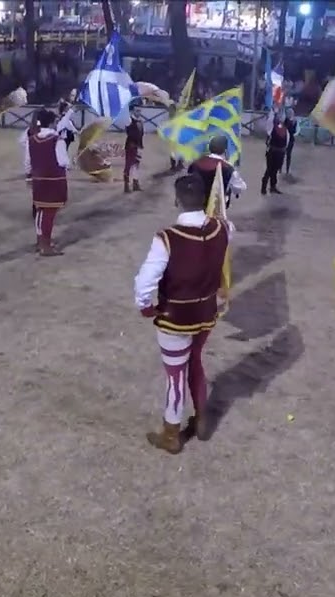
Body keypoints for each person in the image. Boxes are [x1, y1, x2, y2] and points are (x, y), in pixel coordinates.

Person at [132, 174, 232, 454]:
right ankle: (201, 418)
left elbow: (144, 282)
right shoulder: (223, 228)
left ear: (176, 200)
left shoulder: (167, 238)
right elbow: (224, 233)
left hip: (175, 317)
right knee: (196, 362)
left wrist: (145, 305)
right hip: (206, 313)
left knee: (175, 375)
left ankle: (171, 434)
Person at [24, 109, 69, 257]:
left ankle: (40, 241)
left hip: (38, 179)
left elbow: (28, 161)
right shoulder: (57, 140)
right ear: (51, 123)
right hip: (54, 180)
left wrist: (29, 176)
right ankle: (46, 245)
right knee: (49, 213)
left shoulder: (31, 139)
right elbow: (62, 162)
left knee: (41, 211)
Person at [188, 135, 248, 211]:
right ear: (225, 150)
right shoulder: (228, 168)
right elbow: (240, 187)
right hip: (217, 206)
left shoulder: (196, 163)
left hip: (196, 204)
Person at [262, 115, 288, 194]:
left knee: (275, 170)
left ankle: (273, 187)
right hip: (272, 152)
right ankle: (264, 188)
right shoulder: (271, 128)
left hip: (280, 153)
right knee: (269, 170)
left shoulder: (284, 128)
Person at [123, 107, 144, 193]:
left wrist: (140, 145)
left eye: (139, 110)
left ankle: (135, 184)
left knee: (136, 165)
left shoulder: (140, 122)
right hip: (131, 146)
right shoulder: (129, 121)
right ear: (133, 111)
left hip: (137, 146)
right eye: (137, 111)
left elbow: (141, 134)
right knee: (128, 166)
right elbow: (130, 133)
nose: (138, 112)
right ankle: (126, 185)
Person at [281, 109, 299, 176]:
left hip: (288, 139)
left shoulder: (290, 120)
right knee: (286, 154)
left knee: (286, 154)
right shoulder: (292, 121)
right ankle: (285, 169)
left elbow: (292, 130)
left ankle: (284, 169)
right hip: (288, 139)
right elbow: (293, 131)